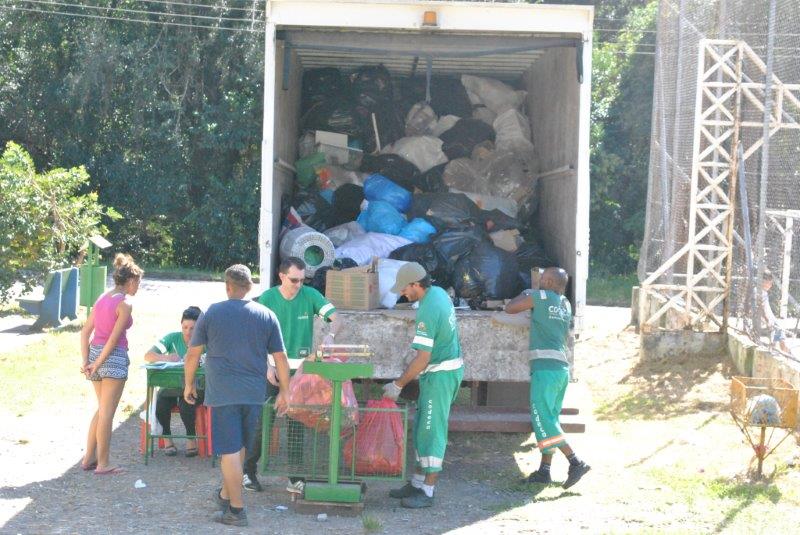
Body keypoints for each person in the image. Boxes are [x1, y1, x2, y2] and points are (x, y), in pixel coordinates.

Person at [183, 264, 290, 527]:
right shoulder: (266, 315)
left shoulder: (212, 313)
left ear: (228, 286)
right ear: (249, 287)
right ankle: (225, 493)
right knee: (240, 446)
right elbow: (281, 358)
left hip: (223, 393)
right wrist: (285, 391)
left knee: (229, 451)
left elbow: (193, 354)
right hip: (254, 393)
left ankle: (237, 510)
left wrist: (188, 384)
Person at [243, 256, 342, 493]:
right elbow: (253, 336)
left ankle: (294, 477)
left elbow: (336, 319)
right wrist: (266, 366)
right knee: (262, 422)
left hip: (300, 373)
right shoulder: (267, 299)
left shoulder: (310, 295)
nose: (299, 284)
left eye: (302, 280)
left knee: (297, 424)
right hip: (272, 371)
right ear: (281, 276)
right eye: (294, 280)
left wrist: (329, 337)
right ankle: (248, 471)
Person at [382, 262, 464, 509]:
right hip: (438, 373)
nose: (403, 294)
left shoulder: (428, 310)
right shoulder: (437, 293)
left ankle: (428, 491)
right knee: (421, 427)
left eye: (405, 289)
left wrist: (398, 385)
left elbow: (423, 358)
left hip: (440, 375)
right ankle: (417, 483)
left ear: (417, 284)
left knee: (431, 430)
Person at [504, 267, 590, 489]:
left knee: (543, 420)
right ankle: (544, 470)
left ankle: (575, 461)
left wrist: (526, 293)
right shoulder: (565, 303)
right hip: (561, 369)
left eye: (542, 279)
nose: (539, 281)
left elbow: (510, 308)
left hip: (544, 368)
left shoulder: (539, 296)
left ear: (551, 282)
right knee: (550, 419)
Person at [80, 253, 143, 475]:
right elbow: (114, 339)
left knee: (100, 410)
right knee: (107, 413)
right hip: (112, 358)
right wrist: (97, 363)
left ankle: (88, 457)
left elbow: (86, 331)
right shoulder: (124, 304)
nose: (138, 288)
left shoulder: (102, 298)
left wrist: (87, 360)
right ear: (131, 281)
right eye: (138, 283)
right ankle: (103, 463)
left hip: (96, 354)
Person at [144, 306, 204, 457]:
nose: (188, 332)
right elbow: (148, 355)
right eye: (185, 327)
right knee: (161, 402)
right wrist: (165, 357)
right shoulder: (172, 338)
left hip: (197, 387)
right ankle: (167, 437)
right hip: (172, 386)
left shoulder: (205, 341)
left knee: (187, 403)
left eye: (192, 328)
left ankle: (191, 438)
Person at [761, 270, 790, 354]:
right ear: (763, 281)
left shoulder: (763, 292)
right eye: (768, 283)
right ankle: (790, 355)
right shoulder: (761, 293)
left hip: (772, 321)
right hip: (770, 321)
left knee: (776, 341)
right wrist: (767, 320)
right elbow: (761, 307)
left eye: (771, 283)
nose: (770, 285)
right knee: (781, 344)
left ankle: (775, 352)